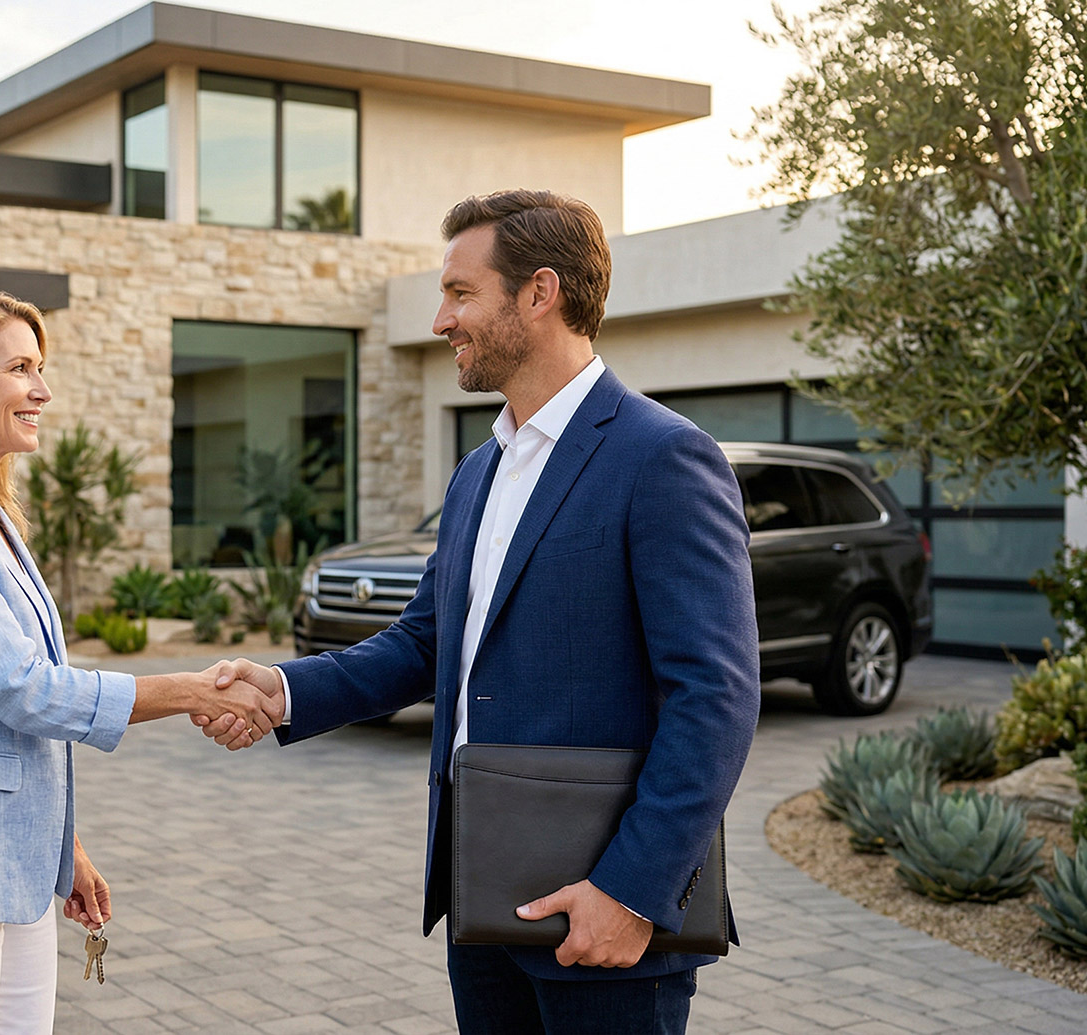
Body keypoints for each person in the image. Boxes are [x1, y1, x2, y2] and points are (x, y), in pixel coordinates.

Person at [198, 190, 760, 1034]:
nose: (440, 319)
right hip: (483, 902)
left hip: (603, 920)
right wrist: (284, 689)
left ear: (540, 293)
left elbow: (716, 697)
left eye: (461, 293)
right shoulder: (478, 471)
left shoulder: (665, 457)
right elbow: (429, 641)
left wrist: (631, 893)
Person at [0, 286, 283, 1033]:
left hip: (6, 866)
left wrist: (61, 844)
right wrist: (192, 688)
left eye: (39, 367)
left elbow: (4, 706)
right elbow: (24, 690)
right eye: (19, 368)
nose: (41, 390)